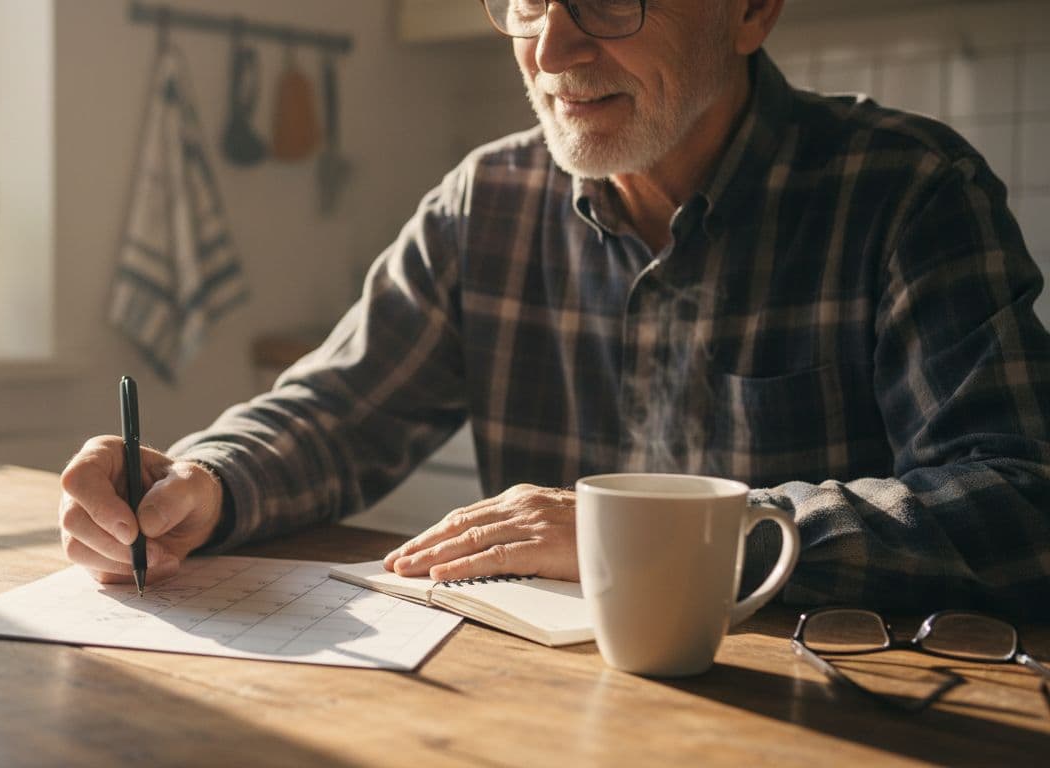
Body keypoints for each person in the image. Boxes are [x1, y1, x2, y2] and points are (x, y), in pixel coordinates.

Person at [59, 0, 1050, 617]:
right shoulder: (483, 202)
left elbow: (1022, 503)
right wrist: (201, 481)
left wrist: (656, 537)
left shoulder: (909, 191)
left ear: (752, 11)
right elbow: (333, 414)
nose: (551, 45)